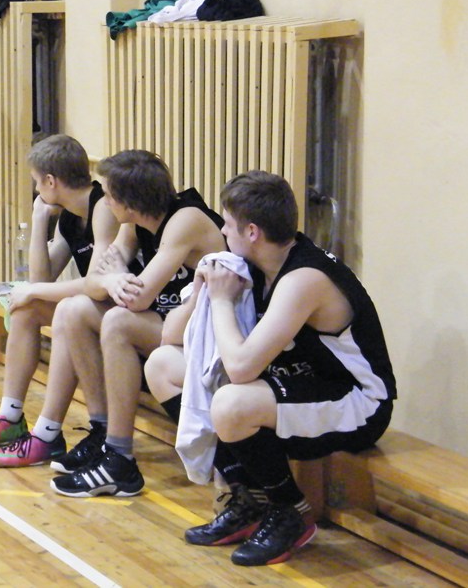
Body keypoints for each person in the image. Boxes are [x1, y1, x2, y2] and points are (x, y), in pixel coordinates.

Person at [145, 170, 396, 566]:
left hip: (357, 402)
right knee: (162, 367)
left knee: (231, 402)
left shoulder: (303, 278)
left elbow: (241, 368)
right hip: (298, 386)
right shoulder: (252, 264)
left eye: (227, 224)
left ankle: (290, 510)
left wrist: (222, 302)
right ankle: (248, 497)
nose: (221, 231)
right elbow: (170, 336)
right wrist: (202, 292)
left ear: (252, 232)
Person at [48, 149, 227, 497]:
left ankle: (119, 459)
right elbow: (93, 284)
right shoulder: (133, 225)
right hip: (172, 324)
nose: (105, 201)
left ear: (129, 201)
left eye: (109, 194)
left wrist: (115, 277)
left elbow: (137, 299)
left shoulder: (185, 220)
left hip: (213, 334)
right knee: (74, 310)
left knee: (118, 321)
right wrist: (112, 278)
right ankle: (103, 433)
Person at [0, 134, 131, 467]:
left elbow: (96, 286)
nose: (36, 190)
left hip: (123, 309)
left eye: (37, 183)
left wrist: (34, 291)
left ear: (51, 181)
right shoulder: (69, 216)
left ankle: (47, 434)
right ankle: (10, 418)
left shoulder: (102, 208)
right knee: (25, 308)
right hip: (98, 307)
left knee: (62, 309)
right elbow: (40, 279)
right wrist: (38, 220)